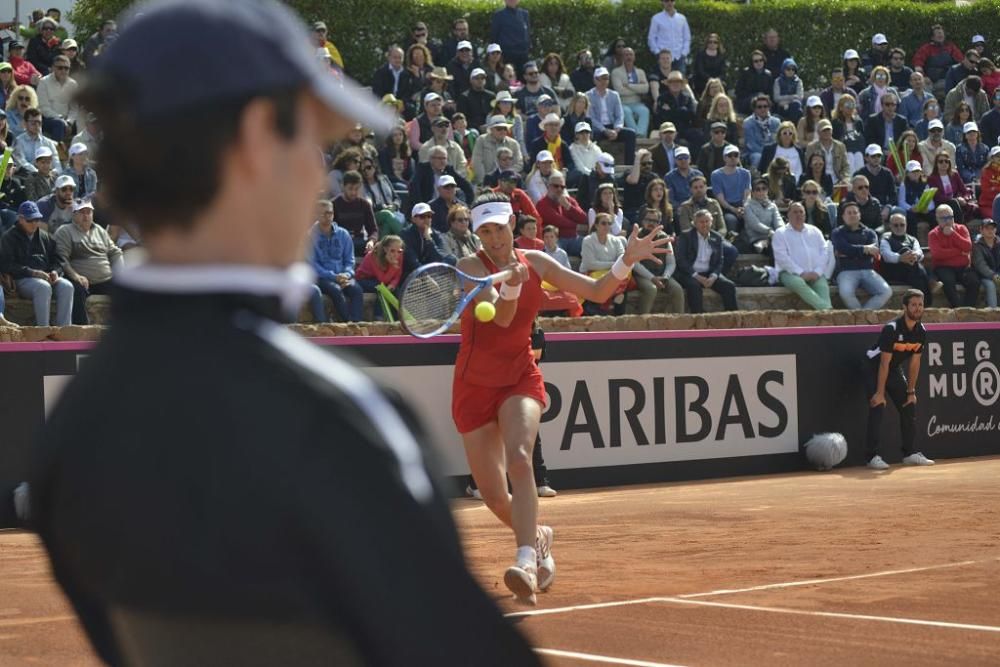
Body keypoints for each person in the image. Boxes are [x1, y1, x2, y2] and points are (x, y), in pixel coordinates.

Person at [32, 2, 544, 664]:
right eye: (311, 142)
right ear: (253, 142)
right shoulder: (344, 422)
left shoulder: (69, 435)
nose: (320, 175)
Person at [455, 191, 666, 602]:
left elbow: (598, 291)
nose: (493, 238)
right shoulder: (467, 267)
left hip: (519, 377)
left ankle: (525, 561)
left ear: (512, 226)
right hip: (473, 386)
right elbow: (500, 315)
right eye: (484, 231)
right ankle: (539, 538)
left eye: (499, 228)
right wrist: (511, 288)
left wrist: (628, 259)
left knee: (520, 457)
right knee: (496, 497)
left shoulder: (538, 262)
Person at [863, 289, 934, 470]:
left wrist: (911, 391)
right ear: (905, 307)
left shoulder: (921, 331)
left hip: (893, 369)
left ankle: (909, 454)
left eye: (920, 305)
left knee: (908, 405)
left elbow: (914, 364)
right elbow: (883, 363)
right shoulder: (892, 329)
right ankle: (872, 456)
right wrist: (880, 393)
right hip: (874, 367)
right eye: (913, 305)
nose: (917, 308)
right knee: (878, 405)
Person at [0, 199, 74, 326]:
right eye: (30, 220)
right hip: (22, 280)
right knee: (42, 287)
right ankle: (43, 329)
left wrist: (55, 272)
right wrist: (33, 272)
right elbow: (7, 265)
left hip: (47, 276)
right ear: (21, 219)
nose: (34, 223)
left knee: (67, 286)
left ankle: (64, 329)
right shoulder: (9, 237)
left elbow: (58, 259)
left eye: (37, 219)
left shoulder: (45, 236)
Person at [52, 199, 122, 325]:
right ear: (74, 215)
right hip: (81, 280)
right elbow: (62, 259)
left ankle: (126, 328)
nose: (86, 215)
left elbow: (115, 252)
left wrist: (121, 272)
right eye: (81, 212)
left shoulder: (100, 231)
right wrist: (75, 276)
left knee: (128, 290)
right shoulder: (65, 231)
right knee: (76, 290)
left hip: (105, 279)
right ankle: (81, 329)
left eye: (88, 212)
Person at [674, 209, 738, 313]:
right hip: (689, 273)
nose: (705, 225)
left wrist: (713, 276)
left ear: (711, 222)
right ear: (695, 224)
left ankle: (732, 317)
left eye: (707, 221)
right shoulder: (686, 236)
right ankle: (698, 317)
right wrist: (696, 276)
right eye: (701, 222)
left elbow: (720, 261)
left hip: (709, 273)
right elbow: (681, 260)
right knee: (694, 286)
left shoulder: (717, 237)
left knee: (729, 286)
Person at [832, 200, 892, 310]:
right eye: (849, 213)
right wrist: (864, 249)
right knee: (846, 293)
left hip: (867, 270)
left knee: (886, 292)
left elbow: (873, 251)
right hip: (846, 271)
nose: (852, 215)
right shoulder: (837, 233)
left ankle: (862, 315)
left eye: (855, 212)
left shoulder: (870, 233)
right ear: (843, 216)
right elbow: (844, 248)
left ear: (859, 215)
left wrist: (852, 251)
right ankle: (862, 318)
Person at [311, 199, 364, 322]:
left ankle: (357, 322)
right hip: (322, 278)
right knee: (335, 289)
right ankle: (349, 323)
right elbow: (313, 265)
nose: (327, 216)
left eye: (329, 213)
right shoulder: (309, 236)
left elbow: (350, 260)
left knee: (356, 290)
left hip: (343, 276)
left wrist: (346, 274)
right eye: (323, 213)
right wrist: (334, 277)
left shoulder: (343, 234)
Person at [772, 202, 832, 310]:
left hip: (815, 273)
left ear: (805, 215)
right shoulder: (780, 233)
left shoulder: (815, 231)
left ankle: (827, 314)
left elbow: (825, 251)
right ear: (788, 215)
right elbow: (782, 258)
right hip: (789, 273)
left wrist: (818, 271)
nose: (798, 215)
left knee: (823, 287)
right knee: (798, 283)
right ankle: (827, 310)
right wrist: (801, 273)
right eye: (795, 212)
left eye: (801, 212)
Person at [928, 204, 979, 308]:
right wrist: (959, 252)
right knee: (948, 281)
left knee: (974, 282)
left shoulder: (962, 228)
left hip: (963, 267)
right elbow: (937, 254)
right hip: (943, 266)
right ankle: (958, 309)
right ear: (937, 219)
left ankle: (967, 310)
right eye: (943, 218)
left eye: (950, 217)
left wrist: (953, 234)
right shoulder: (933, 234)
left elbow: (968, 246)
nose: (947, 221)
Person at [635, 208, 684, 313]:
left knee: (677, 289)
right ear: (643, 221)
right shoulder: (635, 237)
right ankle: (642, 322)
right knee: (651, 289)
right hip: (642, 275)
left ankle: (680, 323)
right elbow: (635, 264)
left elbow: (671, 262)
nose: (651, 223)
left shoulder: (664, 237)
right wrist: (652, 278)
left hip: (662, 275)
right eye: (648, 220)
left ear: (659, 223)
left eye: (655, 221)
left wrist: (665, 277)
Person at [879, 213, 932, 306]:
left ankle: (925, 303)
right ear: (890, 226)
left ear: (906, 225)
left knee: (915, 268)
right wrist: (900, 258)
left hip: (911, 271)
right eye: (896, 225)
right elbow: (887, 256)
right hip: (894, 271)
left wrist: (914, 255)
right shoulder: (885, 239)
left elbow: (919, 253)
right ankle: (929, 288)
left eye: (902, 225)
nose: (899, 227)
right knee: (907, 252)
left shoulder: (912, 239)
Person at [586, 67, 636, 164]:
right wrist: (604, 130)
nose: (603, 81)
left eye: (606, 78)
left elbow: (620, 114)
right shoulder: (588, 95)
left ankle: (629, 165)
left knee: (631, 134)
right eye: (600, 78)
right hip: (598, 128)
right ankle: (594, 164)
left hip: (613, 126)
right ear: (595, 80)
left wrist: (616, 129)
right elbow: (591, 118)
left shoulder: (614, 95)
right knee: (592, 135)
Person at [536, 170, 586, 256]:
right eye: (556, 186)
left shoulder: (569, 201)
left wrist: (569, 207)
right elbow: (557, 221)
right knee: (554, 250)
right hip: (556, 239)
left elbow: (584, 218)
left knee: (589, 244)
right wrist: (577, 226)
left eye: (562, 187)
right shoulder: (542, 203)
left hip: (574, 237)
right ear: (548, 186)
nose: (559, 189)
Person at [711, 144, 751, 237]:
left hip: (743, 206)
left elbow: (747, 194)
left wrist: (744, 207)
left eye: (736, 155)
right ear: (724, 158)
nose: (733, 158)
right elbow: (720, 198)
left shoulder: (745, 173)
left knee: (752, 217)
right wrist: (733, 209)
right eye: (730, 155)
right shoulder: (716, 175)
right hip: (726, 208)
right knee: (730, 220)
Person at [471, 115, 524, 185]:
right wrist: (485, 181)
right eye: (499, 129)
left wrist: (506, 176)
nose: (502, 131)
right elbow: (477, 163)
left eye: (505, 128)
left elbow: (519, 164)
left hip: (509, 182)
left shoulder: (513, 143)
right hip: (485, 182)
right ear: (491, 129)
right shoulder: (481, 140)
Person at [611, 48, 650, 138]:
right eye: (626, 55)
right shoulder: (616, 72)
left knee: (645, 111)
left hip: (637, 102)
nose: (629, 57)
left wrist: (628, 85)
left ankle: (640, 135)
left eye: (630, 55)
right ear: (622, 57)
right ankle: (635, 135)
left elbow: (645, 89)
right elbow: (619, 90)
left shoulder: (640, 72)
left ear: (634, 57)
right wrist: (637, 88)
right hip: (622, 103)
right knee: (626, 112)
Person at [913, 24, 963, 95]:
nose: (940, 34)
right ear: (932, 37)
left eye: (941, 33)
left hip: (947, 79)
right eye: (937, 33)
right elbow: (918, 63)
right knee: (923, 86)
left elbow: (961, 62)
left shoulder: (951, 47)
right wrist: (923, 76)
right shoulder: (926, 48)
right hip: (931, 82)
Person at [927, 152, 975, 225]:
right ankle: (961, 227)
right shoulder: (932, 178)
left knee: (973, 207)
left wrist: (964, 198)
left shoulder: (954, 174)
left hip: (956, 201)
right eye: (941, 161)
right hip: (941, 203)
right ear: (936, 164)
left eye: (946, 161)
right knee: (954, 203)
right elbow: (937, 196)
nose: (944, 163)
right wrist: (954, 199)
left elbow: (964, 190)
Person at [647, 0, 690, 73]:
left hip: (679, 57)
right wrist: (658, 53)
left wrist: (684, 53)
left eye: (672, 0)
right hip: (663, 58)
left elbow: (687, 37)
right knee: (663, 82)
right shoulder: (656, 18)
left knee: (680, 82)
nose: (669, 3)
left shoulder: (682, 18)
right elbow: (651, 38)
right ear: (662, 2)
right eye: (666, 1)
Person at [743, 177, 783, 255]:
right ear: (753, 192)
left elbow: (778, 220)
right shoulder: (748, 206)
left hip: (773, 237)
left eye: (764, 188)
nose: (761, 191)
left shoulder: (772, 206)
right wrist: (769, 231)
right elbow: (755, 224)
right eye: (758, 189)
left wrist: (782, 231)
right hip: (756, 239)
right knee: (774, 249)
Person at [490, 0, 530, 77]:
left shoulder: (524, 14)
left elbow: (527, 34)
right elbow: (494, 37)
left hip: (522, 55)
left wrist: (527, 49)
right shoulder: (498, 15)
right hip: (506, 55)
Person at [897, 160, 935, 238]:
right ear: (907, 173)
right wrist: (910, 208)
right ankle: (914, 241)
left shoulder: (925, 185)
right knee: (910, 219)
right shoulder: (904, 185)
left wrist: (927, 209)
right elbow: (901, 202)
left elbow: (931, 202)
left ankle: (934, 239)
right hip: (912, 211)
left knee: (934, 217)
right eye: (913, 171)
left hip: (924, 210)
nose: (915, 173)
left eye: (917, 171)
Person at [744, 93, 780, 170]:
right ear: (754, 108)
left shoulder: (776, 122)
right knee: (758, 157)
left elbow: (778, 141)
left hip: (773, 151)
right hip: (755, 152)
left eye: (765, 106)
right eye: (759, 107)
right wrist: (767, 154)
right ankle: (757, 179)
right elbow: (751, 145)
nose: (763, 109)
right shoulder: (748, 123)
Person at [973, 218, 1000, 307]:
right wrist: (992, 275)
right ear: (981, 230)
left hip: (997, 274)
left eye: (992, 228)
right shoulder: (977, 245)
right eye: (987, 228)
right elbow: (980, 264)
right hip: (983, 276)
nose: (990, 231)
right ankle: (993, 313)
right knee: (990, 285)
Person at [735, 51, 772, 116]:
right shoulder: (745, 73)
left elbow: (770, 92)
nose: (759, 63)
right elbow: (738, 91)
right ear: (752, 63)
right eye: (756, 61)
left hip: (763, 101)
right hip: (746, 101)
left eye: (761, 60)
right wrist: (755, 96)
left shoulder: (768, 74)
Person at [665, 146, 702, 210]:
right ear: (675, 160)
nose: (683, 160)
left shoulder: (698, 174)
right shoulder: (669, 177)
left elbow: (702, 194)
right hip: (678, 209)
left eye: (685, 157)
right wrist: (681, 208)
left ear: (690, 159)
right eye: (680, 158)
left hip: (698, 207)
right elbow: (670, 199)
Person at [690, 33, 727, 97]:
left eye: (715, 42)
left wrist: (717, 79)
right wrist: (710, 79)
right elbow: (700, 70)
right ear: (707, 43)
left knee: (723, 86)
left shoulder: (721, 56)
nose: (712, 44)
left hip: (717, 81)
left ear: (718, 44)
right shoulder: (701, 54)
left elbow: (723, 71)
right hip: (703, 80)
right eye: (710, 42)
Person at [772, 58, 804, 124]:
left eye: (793, 69)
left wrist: (787, 102)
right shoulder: (778, 81)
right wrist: (792, 97)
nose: (791, 71)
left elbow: (800, 96)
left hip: (794, 107)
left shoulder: (798, 81)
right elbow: (776, 97)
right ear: (783, 69)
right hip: (781, 108)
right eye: (788, 69)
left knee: (796, 105)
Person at [979, 146, 1000, 218]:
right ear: (992, 158)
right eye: (997, 156)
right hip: (988, 205)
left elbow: (993, 189)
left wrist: (995, 188)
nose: (999, 158)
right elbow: (986, 191)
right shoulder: (986, 171)